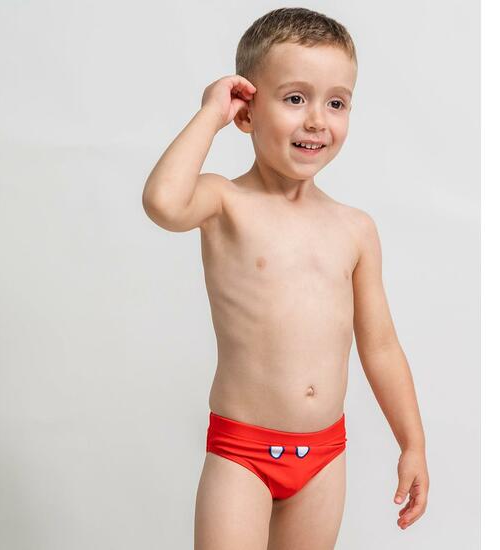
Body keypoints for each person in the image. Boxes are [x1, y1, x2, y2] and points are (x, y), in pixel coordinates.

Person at [142, 7, 429, 550]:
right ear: (247, 112)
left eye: (336, 102)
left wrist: (412, 442)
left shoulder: (355, 229)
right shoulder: (226, 201)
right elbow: (162, 202)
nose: (317, 120)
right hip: (242, 453)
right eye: (295, 98)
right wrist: (210, 114)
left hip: (324, 455)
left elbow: (381, 346)